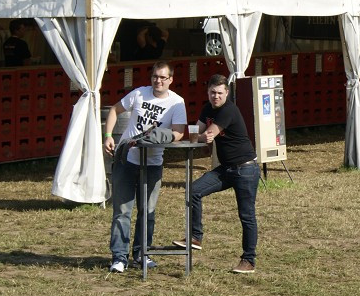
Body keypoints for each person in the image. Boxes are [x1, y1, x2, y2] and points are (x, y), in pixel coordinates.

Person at [103, 61, 187, 273]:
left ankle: (142, 254)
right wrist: (108, 136)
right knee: (122, 211)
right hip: (127, 160)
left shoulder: (177, 102)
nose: (158, 81)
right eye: (155, 77)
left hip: (152, 164)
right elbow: (114, 109)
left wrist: (162, 136)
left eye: (162, 78)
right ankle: (119, 257)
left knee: (147, 212)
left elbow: (179, 132)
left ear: (170, 80)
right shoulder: (139, 94)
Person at [174, 74, 259, 274]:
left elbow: (207, 134)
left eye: (220, 93)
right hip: (226, 168)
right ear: (208, 92)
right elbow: (198, 132)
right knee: (193, 190)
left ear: (227, 93)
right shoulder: (207, 109)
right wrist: (200, 137)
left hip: (245, 168)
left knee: (246, 215)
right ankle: (195, 237)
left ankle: (249, 260)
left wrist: (200, 137)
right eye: (212, 92)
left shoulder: (228, 110)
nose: (216, 97)